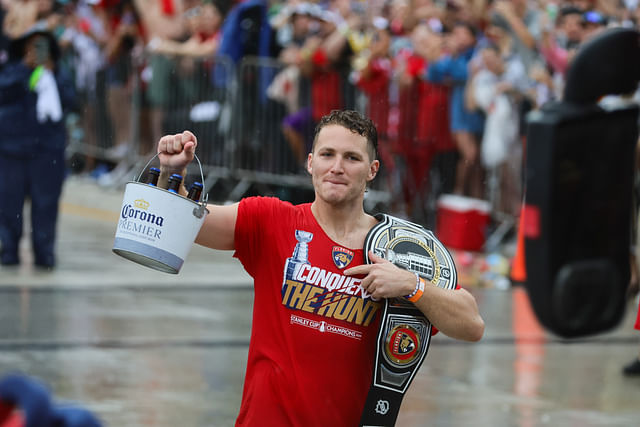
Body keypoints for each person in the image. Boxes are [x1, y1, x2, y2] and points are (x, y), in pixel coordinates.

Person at [156, 109, 485, 425]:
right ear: (310, 163)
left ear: (372, 170)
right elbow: (188, 223)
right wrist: (172, 173)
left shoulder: (394, 248)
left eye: (352, 158)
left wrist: (411, 286)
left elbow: (472, 324)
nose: (337, 167)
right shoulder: (271, 220)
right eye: (327, 155)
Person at [0, 27, 74, 268]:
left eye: (42, 46)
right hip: (12, 149)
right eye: (33, 45)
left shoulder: (59, 74)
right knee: (9, 204)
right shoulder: (12, 69)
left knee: (46, 204)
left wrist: (52, 73)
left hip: (47, 150)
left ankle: (45, 254)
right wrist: (25, 68)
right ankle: (8, 250)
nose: (37, 51)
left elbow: (72, 101)